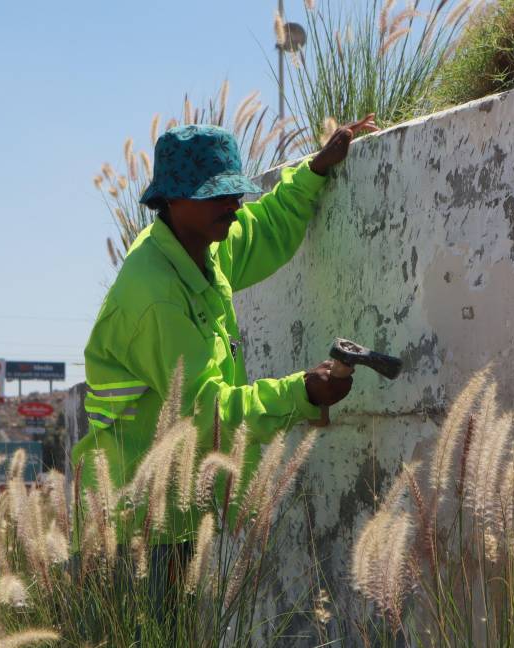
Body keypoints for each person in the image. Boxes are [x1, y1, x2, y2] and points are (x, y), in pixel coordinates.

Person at [71, 115, 379, 572]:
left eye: (235, 191)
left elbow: (264, 228)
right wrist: (301, 393)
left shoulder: (199, 245)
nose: (233, 204)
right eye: (216, 195)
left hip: (169, 513)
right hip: (131, 524)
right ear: (173, 200)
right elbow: (207, 412)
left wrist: (313, 172)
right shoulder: (154, 297)